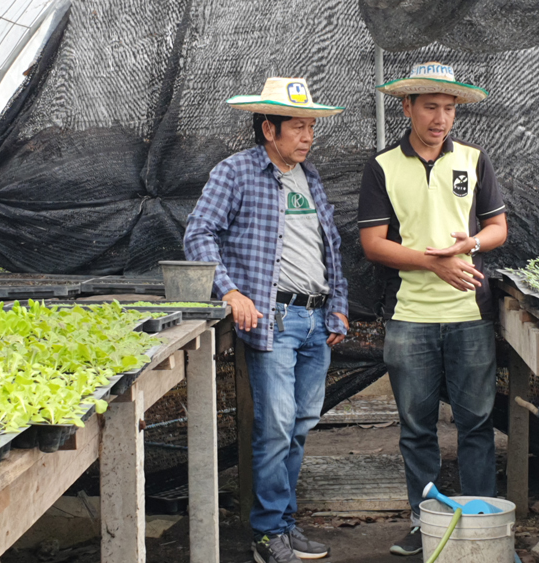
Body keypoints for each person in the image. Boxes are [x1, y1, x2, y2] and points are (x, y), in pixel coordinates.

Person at [184, 76, 349, 563]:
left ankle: (284, 523)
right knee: (276, 424)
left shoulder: (310, 178)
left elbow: (330, 248)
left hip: (316, 319)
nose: (307, 136)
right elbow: (199, 235)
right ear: (268, 129)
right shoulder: (234, 173)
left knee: (300, 423)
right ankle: (265, 533)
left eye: (311, 127)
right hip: (272, 319)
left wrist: (337, 303)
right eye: (297, 127)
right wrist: (231, 291)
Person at [357, 62, 508, 556]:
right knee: (417, 428)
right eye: (430, 107)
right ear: (407, 108)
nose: (441, 118)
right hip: (410, 316)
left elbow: (497, 228)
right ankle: (427, 526)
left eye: (449, 108)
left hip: (470, 316)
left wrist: (473, 243)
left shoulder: (474, 159)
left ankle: (480, 525)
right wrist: (434, 263)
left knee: (476, 426)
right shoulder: (383, 167)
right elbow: (374, 244)